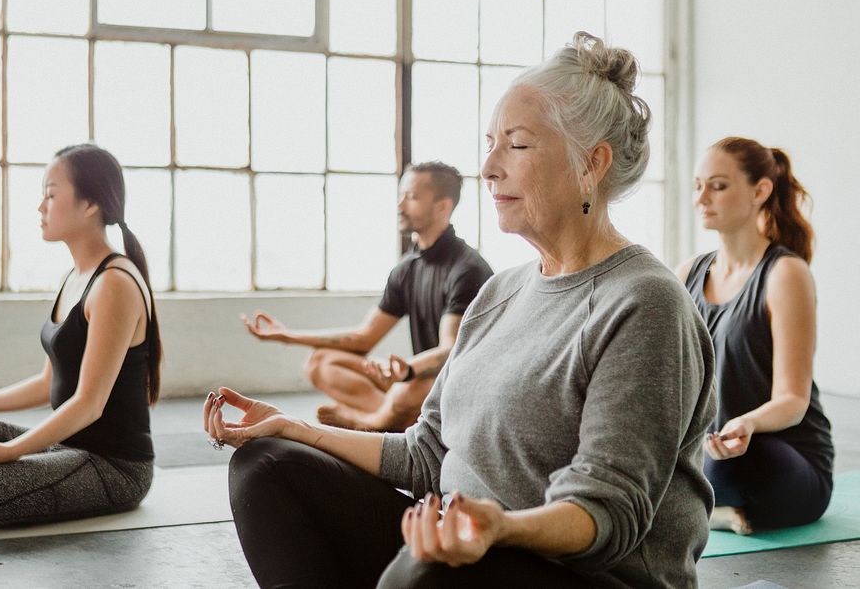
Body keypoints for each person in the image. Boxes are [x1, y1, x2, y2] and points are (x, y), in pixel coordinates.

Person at [206, 32, 717, 588]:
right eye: (490, 143)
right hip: (471, 551)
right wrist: (298, 430)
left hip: (587, 576)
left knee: (428, 569)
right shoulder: (498, 295)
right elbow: (425, 455)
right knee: (268, 467)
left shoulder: (645, 304)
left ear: (591, 164)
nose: (489, 167)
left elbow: (608, 512)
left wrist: (497, 529)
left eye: (516, 145)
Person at [0, 143, 161, 528]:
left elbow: (89, 405)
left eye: (50, 195)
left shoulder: (115, 284)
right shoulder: (74, 278)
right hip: (66, 447)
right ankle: (11, 474)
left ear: (90, 204)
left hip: (113, 467)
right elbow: (48, 383)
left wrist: (8, 452)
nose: (40, 207)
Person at [241, 161, 493, 432]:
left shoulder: (467, 269)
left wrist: (407, 369)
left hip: (455, 384)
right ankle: (399, 421)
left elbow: (451, 352)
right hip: (415, 378)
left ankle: (369, 423)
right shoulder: (407, 268)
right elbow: (364, 338)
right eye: (400, 196)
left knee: (408, 391)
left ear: (442, 206)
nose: (400, 206)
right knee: (320, 362)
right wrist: (287, 336)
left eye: (411, 197)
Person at [677, 137, 834, 535]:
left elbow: (793, 400)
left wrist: (746, 425)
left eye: (718, 185)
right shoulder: (687, 274)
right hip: (714, 449)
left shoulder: (785, 274)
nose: (702, 198)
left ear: (760, 191)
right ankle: (714, 511)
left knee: (737, 464)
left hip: (779, 455)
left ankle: (704, 509)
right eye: (698, 186)